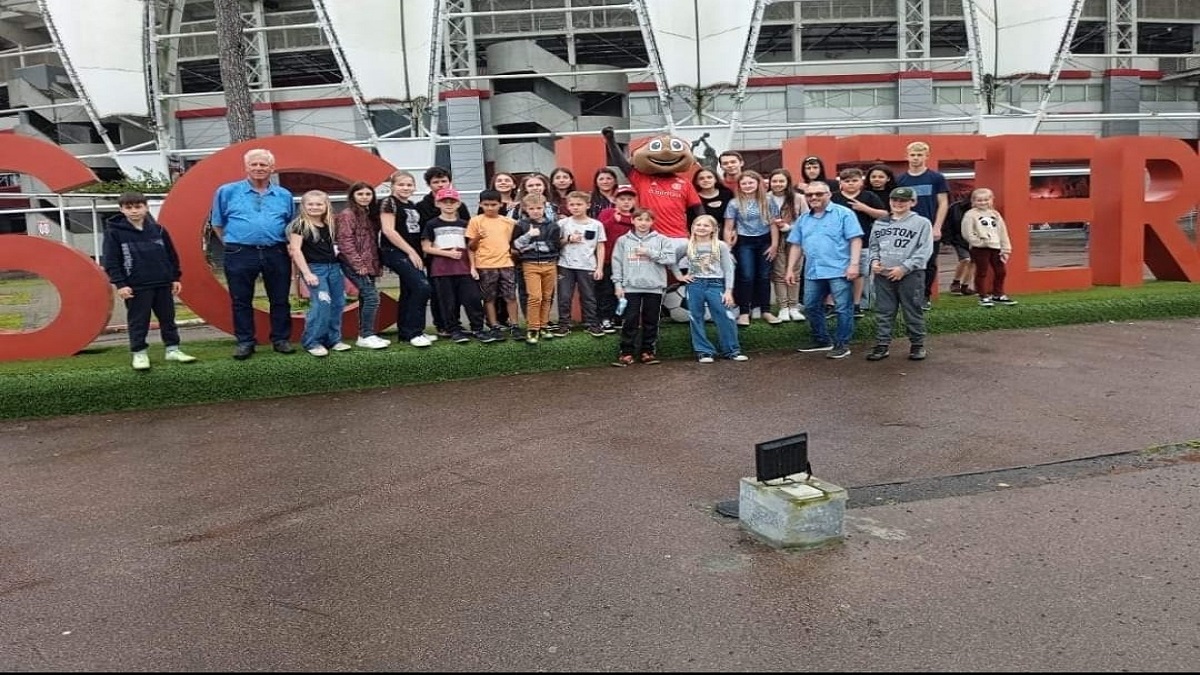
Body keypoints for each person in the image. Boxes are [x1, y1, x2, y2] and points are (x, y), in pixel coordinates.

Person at [209, 148, 296, 360]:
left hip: (275, 251)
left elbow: (291, 225)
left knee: (280, 298)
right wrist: (233, 244)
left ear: (272, 168)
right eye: (254, 164)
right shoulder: (227, 191)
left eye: (263, 165)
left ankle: (281, 339)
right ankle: (245, 341)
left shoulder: (284, 195)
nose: (259, 168)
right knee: (241, 300)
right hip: (240, 252)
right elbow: (218, 223)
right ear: (246, 167)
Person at [102, 191, 197, 370]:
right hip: (136, 286)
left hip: (162, 283)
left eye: (138, 207)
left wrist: (175, 277)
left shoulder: (159, 230)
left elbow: (171, 255)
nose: (134, 211)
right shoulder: (114, 233)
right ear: (121, 209)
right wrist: (120, 284)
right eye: (129, 207)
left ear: (145, 207)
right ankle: (139, 353)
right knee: (139, 321)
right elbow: (111, 261)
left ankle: (173, 349)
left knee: (168, 319)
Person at [785, 181, 863, 359]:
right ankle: (822, 341)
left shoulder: (844, 214)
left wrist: (854, 264)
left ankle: (842, 344)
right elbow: (796, 245)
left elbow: (855, 240)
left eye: (819, 194)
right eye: (810, 195)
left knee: (843, 308)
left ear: (829, 195)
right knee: (811, 306)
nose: (814, 197)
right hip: (813, 271)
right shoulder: (804, 219)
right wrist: (790, 269)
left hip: (839, 270)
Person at [865, 186, 933, 362]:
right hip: (883, 275)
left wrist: (904, 268)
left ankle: (917, 344)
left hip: (910, 275)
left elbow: (924, 249)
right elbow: (873, 246)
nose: (898, 203)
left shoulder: (922, 223)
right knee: (884, 311)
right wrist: (874, 262)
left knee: (912, 309)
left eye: (903, 201)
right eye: (894, 200)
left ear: (913, 202)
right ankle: (882, 344)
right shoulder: (880, 222)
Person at [610, 208, 679, 367]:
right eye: (639, 219)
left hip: (654, 287)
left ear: (652, 222)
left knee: (651, 320)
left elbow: (670, 258)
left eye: (647, 220)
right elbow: (617, 263)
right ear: (633, 221)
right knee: (630, 319)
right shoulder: (623, 240)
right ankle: (626, 353)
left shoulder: (662, 239)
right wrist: (618, 285)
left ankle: (647, 351)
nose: (643, 223)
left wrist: (648, 252)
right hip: (630, 287)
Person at [676, 214, 746, 363]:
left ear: (714, 229)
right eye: (698, 225)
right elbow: (672, 261)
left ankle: (732, 350)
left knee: (725, 316)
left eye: (706, 225)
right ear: (692, 227)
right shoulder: (687, 245)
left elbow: (728, 269)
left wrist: (728, 291)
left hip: (715, 284)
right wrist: (679, 276)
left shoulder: (720, 245)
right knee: (696, 317)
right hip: (695, 285)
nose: (701, 228)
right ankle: (704, 351)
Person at [287, 190, 350, 357]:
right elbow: (295, 249)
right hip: (315, 269)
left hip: (334, 268)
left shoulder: (329, 224)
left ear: (326, 205)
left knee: (338, 302)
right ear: (304, 206)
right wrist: (307, 273)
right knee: (322, 303)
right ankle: (312, 341)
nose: (315, 207)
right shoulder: (300, 224)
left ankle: (333, 339)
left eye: (319, 204)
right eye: (311, 204)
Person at [378, 170, 436, 348]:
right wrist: (410, 251)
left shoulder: (411, 204)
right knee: (422, 287)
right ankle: (414, 332)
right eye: (401, 184)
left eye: (409, 184)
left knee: (409, 290)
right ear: (393, 186)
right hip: (395, 251)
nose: (405, 188)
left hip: (413, 251)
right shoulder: (388, 202)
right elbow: (388, 230)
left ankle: (405, 331)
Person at [421, 187, 486, 343]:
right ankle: (454, 330)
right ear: (438, 204)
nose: (448, 204)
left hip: (464, 268)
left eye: (452, 201)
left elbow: (470, 247)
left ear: (458, 204)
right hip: (442, 270)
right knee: (448, 302)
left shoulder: (465, 223)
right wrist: (447, 253)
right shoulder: (432, 224)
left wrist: (472, 267)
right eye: (445, 202)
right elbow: (426, 247)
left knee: (473, 298)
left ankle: (478, 328)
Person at [415, 166, 471, 337]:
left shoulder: (460, 204)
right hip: (435, 256)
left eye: (443, 181)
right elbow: (422, 233)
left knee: (459, 292)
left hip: (459, 255)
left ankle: (456, 323)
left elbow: (468, 228)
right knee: (440, 292)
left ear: (449, 182)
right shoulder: (422, 206)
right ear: (429, 184)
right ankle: (442, 325)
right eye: (436, 182)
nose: (440, 184)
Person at [893, 141, 949, 310]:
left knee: (929, 262)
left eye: (919, 155)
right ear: (906, 156)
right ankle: (907, 297)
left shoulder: (936, 178)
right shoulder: (901, 179)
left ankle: (924, 296)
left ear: (926, 156)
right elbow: (897, 204)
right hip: (907, 229)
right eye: (913, 155)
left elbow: (943, 203)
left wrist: (937, 226)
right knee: (906, 261)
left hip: (929, 228)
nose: (916, 158)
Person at [336, 182, 390, 350]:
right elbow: (345, 242)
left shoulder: (370, 214)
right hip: (354, 263)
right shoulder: (348, 214)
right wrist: (358, 264)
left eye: (368, 194)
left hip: (370, 262)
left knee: (366, 297)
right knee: (372, 297)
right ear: (352, 196)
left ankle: (365, 334)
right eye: (360, 194)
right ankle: (366, 335)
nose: (364, 197)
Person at [724, 170, 779, 326]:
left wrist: (774, 245)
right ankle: (744, 312)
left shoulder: (768, 201)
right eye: (744, 183)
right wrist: (728, 249)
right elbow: (728, 227)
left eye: (751, 183)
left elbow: (773, 223)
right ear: (739, 185)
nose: (748, 186)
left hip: (764, 241)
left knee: (764, 276)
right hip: (744, 242)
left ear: (758, 183)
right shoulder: (734, 203)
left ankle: (766, 311)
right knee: (746, 276)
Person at [831, 167, 887, 317]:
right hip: (838, 244)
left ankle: (857, 304)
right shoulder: (834, 198)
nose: (850, 184)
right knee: (836, 273)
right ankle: (834, 304)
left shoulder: (869, 196)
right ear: (841, 183)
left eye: (854, 180)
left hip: (864, 242)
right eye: (847, 181)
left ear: (861, 181)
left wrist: (865, 208)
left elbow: (884, 215)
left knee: (860, 273)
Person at [466, 188, 520, 342]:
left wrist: (515, 253)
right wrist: (477, 238)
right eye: (486, 204)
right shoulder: (475, 221)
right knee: (489, 297)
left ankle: (515, 325)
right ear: (480, 204)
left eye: (494, 204)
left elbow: (514, 241)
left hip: (506, 263)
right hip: (485, 264)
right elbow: (470, 247)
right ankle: (494, 325)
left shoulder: (508, 222)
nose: (490, 208)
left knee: (510, 296)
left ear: (500, 204)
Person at [510, 192, 562, 344]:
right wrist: (528, 237)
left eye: (539, 207)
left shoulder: (552, 226)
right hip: (530, 265)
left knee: (547, 297)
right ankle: (533, 328)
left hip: (550, 264)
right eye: (532, 208)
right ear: (525, 209)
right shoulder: (521, 225)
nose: (536, 211)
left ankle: (543, 325)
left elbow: (555, 246)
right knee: (535, 297)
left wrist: (532, 245)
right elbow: (515, 245)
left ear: (544, 207)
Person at [555, 190, 607, 337]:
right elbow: (556, 243)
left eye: (579, 204)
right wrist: (568, 239)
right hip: (566, 265)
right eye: (572, 204)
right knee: (564, 296)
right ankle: (564, 323)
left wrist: (599, 267)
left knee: (589, 296)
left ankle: (591, 323)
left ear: (588, 205)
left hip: (588, 265)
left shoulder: (596, 224)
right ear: (567, 206)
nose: (575, 207)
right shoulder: (562, 223)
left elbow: (600, 246)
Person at [962, 187, 1017, 307]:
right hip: (980, 248)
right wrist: (979, 242)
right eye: (979, 200)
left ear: (991, 200)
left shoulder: (995, 214)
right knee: (982, 271)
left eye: (986, 200)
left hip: (996, 247)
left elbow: (1002, 232)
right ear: (973, 201)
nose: (983, 203)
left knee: (1000, 271)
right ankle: (982, 295)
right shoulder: (970, 215)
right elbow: (967, 232)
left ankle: (998, 294)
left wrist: (1006, 248)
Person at [596, 184, 638, 332]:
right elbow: (599, 231)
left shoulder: (636, 217)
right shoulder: (607, 213)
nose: (626, 202)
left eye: (629, 199)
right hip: (608, 260)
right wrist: (613, 220)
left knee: (625, 291)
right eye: (622, 199)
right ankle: (605, 318)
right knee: (607, 290)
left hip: (628, 262)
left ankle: (620, 317)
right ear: (615, 200)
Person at [767, 168, 803, 323]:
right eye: (774, 181)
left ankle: (794, 307)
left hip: (795, 239)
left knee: (795, 272)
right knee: (779, 273)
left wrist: (791, 227)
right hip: (774, 239)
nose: (778, 184)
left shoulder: (798, 198)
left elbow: (806, 219)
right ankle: (783, 307)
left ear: (788, 182)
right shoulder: (765, 198)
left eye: (781, 181)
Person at [944, 192, 976, 296]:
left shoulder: (986, 211)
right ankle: (956, 282)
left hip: (976, 239)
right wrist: (947, 239)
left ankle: (965, 286)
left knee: (973, 262)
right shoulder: (955, 207)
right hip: (959, 238)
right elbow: (948, 222)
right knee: (965, 259)